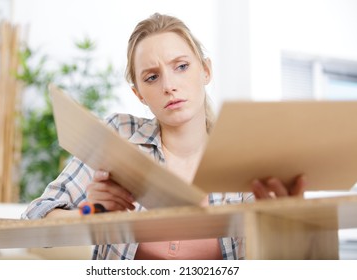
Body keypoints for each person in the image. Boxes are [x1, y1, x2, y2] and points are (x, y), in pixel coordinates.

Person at [22, 13, 305, 260]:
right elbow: (33, 220)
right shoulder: (118, 135)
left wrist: (280, 223)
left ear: (205, 71)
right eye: (152, 77)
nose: (169, 86)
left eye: (181, 67)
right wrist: (91, 213)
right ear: (139, 94)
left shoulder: (244, 158)